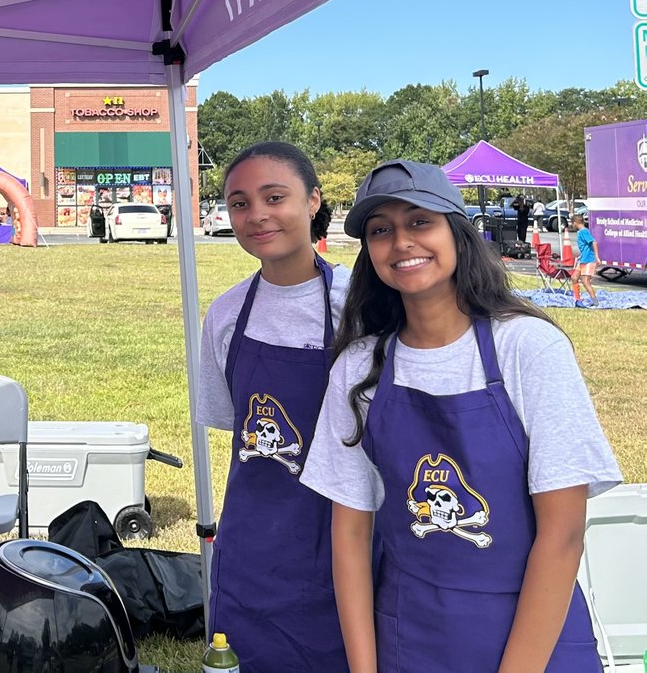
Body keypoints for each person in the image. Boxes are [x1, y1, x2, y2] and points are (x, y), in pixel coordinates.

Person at [302, 160, 620, 673]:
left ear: (458, 232)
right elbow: (351, 537)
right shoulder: (360, 368)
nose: (401, 241)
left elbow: (562, 536)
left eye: (419, 221)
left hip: (534, 640)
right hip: (411, 636)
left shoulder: (528, 348)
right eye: (381, 230)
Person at [197, 141, 351, 672]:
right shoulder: (224, 315)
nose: (256, 214)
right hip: (254, 546)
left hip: (347, 539)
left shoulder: (360, 305)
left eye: (274, 196)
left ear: (313, 201)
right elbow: (232, 423)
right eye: (239, 203)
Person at [572, 213, 599, 307]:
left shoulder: (584, 231)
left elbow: (594, 242)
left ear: (575, 223)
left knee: (585, 281)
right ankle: (577, 300)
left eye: (573, 223)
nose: (572, 226)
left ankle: (595, 301)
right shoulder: (581, 232)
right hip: (582, 259)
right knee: (574, 277)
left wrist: (597, 257)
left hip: (588, 259)